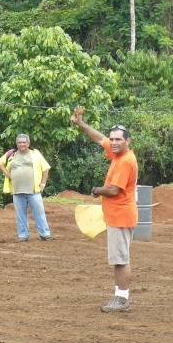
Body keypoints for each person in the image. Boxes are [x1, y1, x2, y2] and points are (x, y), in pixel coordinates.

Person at [72, 107, 138, 313]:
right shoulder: (119, 154)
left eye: (118, 139)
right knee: (119, 258)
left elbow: (113, 189)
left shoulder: (125, 161)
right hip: (118, 215)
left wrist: (95, 190)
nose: (114, 142)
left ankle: (122, 298)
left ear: (127, 141)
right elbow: (100, 139)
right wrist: (81, 123)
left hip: (120, 216)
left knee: (120, 260)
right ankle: (120, 296)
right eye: (113, 139)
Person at [0, 133, 53, 242]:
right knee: (20, 214)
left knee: (39, 211)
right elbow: (0, 162)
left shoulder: (35, 154)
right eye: (20, 142)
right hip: (17, 190)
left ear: (28, 143)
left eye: (24, 142)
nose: (22, 144)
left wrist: (43, 184)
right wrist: (8, 175)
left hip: (33, 189)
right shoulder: (11, 154)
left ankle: (45, 234)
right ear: (16, 144)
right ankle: (23, 235)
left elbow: (45, 168)